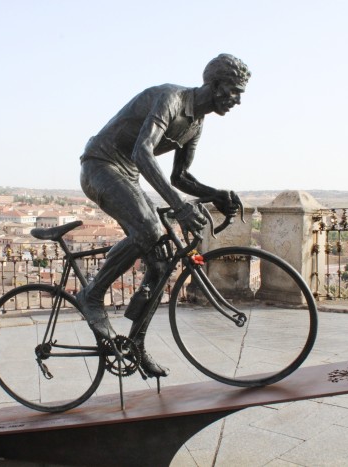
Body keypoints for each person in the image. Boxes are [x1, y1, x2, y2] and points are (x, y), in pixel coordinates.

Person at [78, 53, 251, 378]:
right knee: (149, 232)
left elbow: (180, 178)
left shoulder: (196, 124)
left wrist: (216, 194)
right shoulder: (171, 99)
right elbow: (142, 151)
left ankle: (136, 345)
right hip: (100, 165)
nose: (238, 100)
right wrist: (181, 206)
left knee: (162, 260)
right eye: (234, 90)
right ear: (214, 85)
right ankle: (92, 294)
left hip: (125, 173)